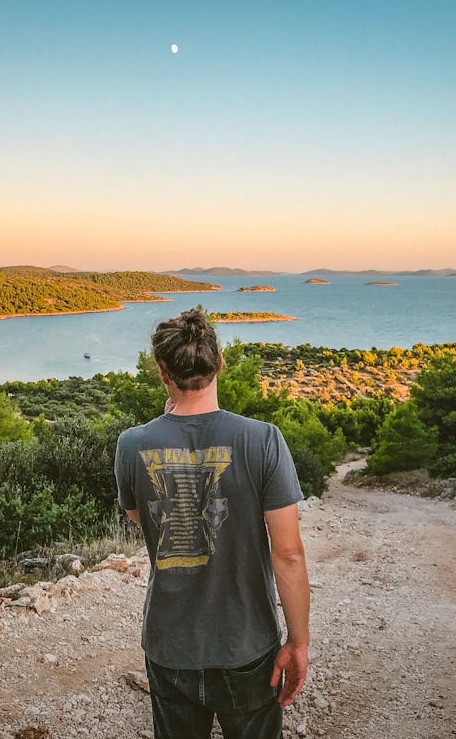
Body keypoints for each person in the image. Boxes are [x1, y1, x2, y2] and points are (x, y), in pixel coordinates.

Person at [114, 309, 310, 739]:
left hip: (170, 645)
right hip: (246, 646)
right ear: (220, 362)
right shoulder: (263, 439)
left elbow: (137, 516)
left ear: (162, 372)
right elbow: (289, 554)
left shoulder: (132, 444)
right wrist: (298, 642)